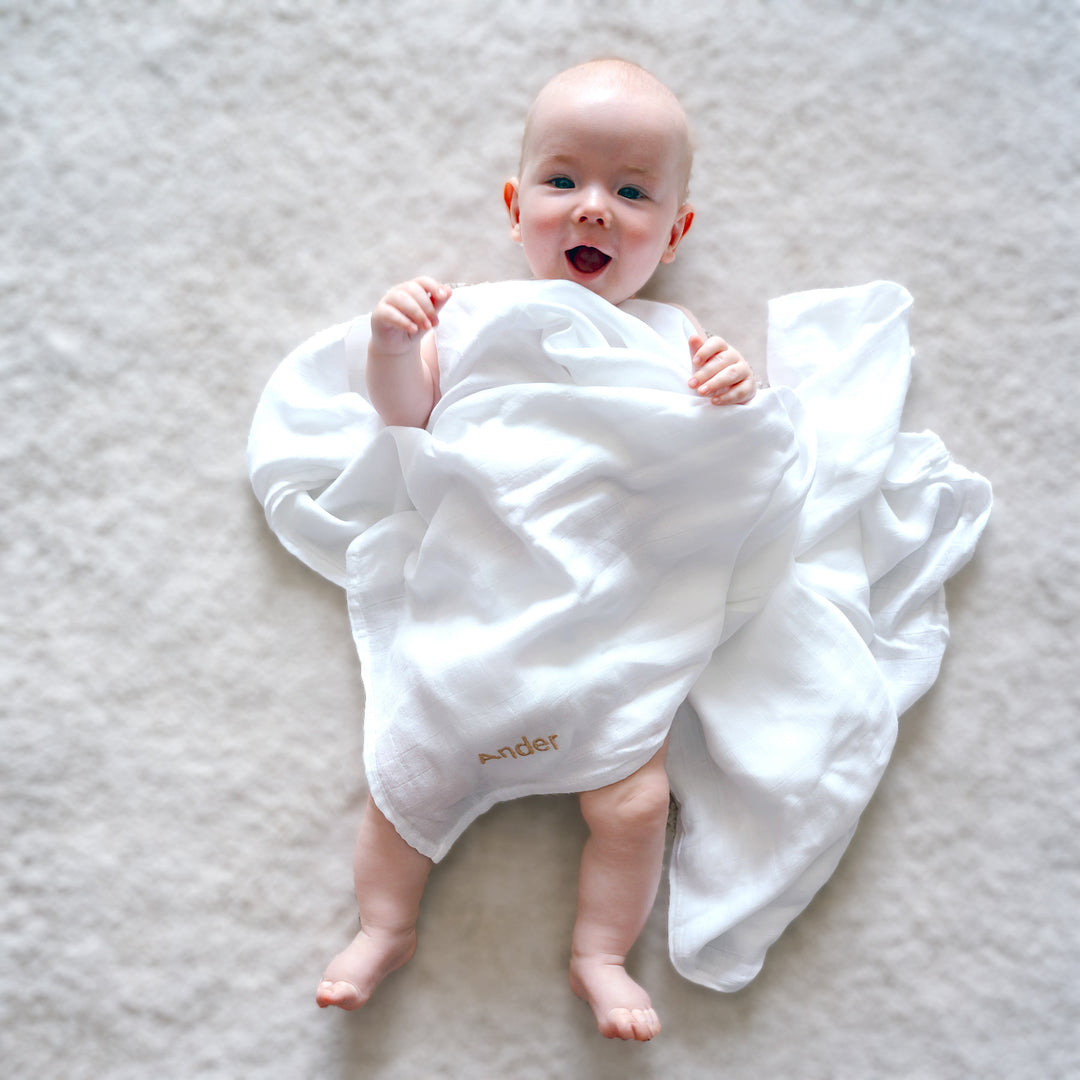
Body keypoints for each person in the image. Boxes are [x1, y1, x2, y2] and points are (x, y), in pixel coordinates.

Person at [314, 59, 756, 1042]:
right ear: (517, 208)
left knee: (637, 803)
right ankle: (385, 926)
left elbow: (719, 463)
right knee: (405, 776)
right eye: (565, 183)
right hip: (481, 605)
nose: (594, 209)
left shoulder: (668, 341)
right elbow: (405, 417)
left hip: (604, 620)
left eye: (633, 192)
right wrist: (394, 344)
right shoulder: (472, 315)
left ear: (676, 234)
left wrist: (732, 387)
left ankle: (599, 953)